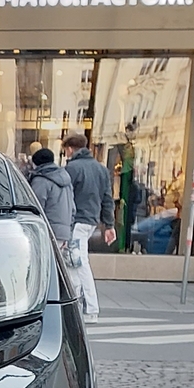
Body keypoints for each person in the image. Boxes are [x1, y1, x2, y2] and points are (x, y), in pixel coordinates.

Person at [61, 133, 112, 320]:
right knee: (77, 262)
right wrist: (109, 224)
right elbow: (107, 198)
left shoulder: (72, 168)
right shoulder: (101, 169)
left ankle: (88, 308)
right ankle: (83, 308)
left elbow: (66, 199)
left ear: (70, 149)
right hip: (91, 220)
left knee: (77, 264)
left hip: (77, 221)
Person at [27, 148, 76, 272]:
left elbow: (35, 209)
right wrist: (67, 233)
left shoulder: (41, 180)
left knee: (42, 271)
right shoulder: (66, 179)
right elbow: (73, 209)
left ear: (36, 163)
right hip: (63, 232)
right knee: (54, 270)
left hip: (47, 231)